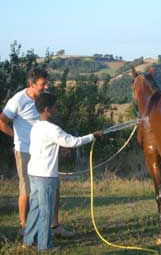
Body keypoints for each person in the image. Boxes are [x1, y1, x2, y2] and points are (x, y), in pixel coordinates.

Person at [0, 68, 74, 237]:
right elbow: (0, 123)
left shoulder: (45, 98)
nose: (46, 87)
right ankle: (25, 228)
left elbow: (50, 125)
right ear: (31, 84)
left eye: (47, 83)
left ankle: (55, 226)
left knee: (53, 187)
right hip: (24, 151)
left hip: (44, 150)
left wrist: (61, 145)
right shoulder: (17, 100)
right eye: (42, 84)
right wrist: (18, 138)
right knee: (27, 190)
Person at [23, 92, 103, 251]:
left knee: (35, 208)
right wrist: (92, 136)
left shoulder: (36, 126)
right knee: (46, 211)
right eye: (55, 106)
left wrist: (57, 151)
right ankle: (44, 247)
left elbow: (40, 147)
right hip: (46, 176)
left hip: (33, 172)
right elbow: (74, 141)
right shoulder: (53, 129)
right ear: (47, 109)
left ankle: (29, 241)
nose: (57, 108)